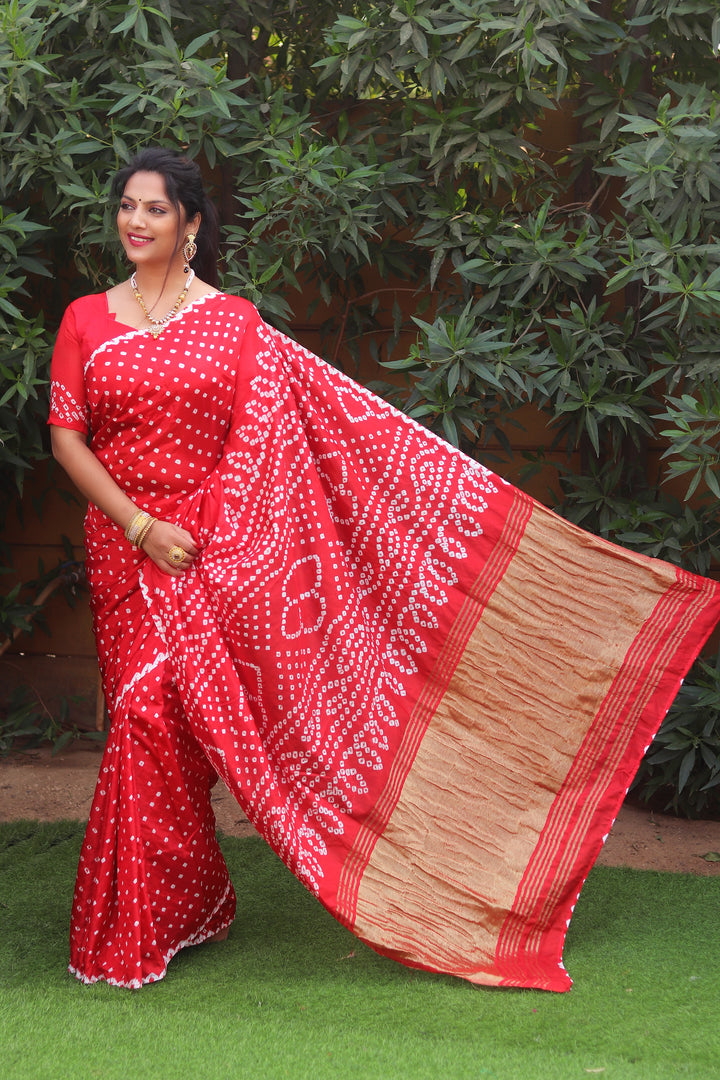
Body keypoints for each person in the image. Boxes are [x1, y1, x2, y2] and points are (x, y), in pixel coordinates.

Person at [49, 147, 720, 992]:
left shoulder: (236, 322)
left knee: (175, 737)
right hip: (126, 546)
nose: (134, 222)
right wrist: (141, 525)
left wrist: (207, 535)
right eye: (126, 206)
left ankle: (178, 908)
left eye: (153, 209)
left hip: (213, 553)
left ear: (189, 226)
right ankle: (158, 915)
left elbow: (289, 434)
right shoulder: (85, 318)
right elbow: (67, 439)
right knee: (146, 724)